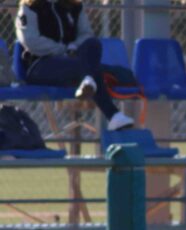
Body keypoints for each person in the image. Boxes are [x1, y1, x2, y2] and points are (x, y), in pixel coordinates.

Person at [15, 0, 134, 131]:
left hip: (72, 61)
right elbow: (31, 41)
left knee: (93, 44)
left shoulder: (74, 6)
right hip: (40, 64)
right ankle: (112, 114)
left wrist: (74, 46)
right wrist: (63, 50)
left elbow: (86, 34)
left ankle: (88, 81)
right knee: (92, 69)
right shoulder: (30, 7)